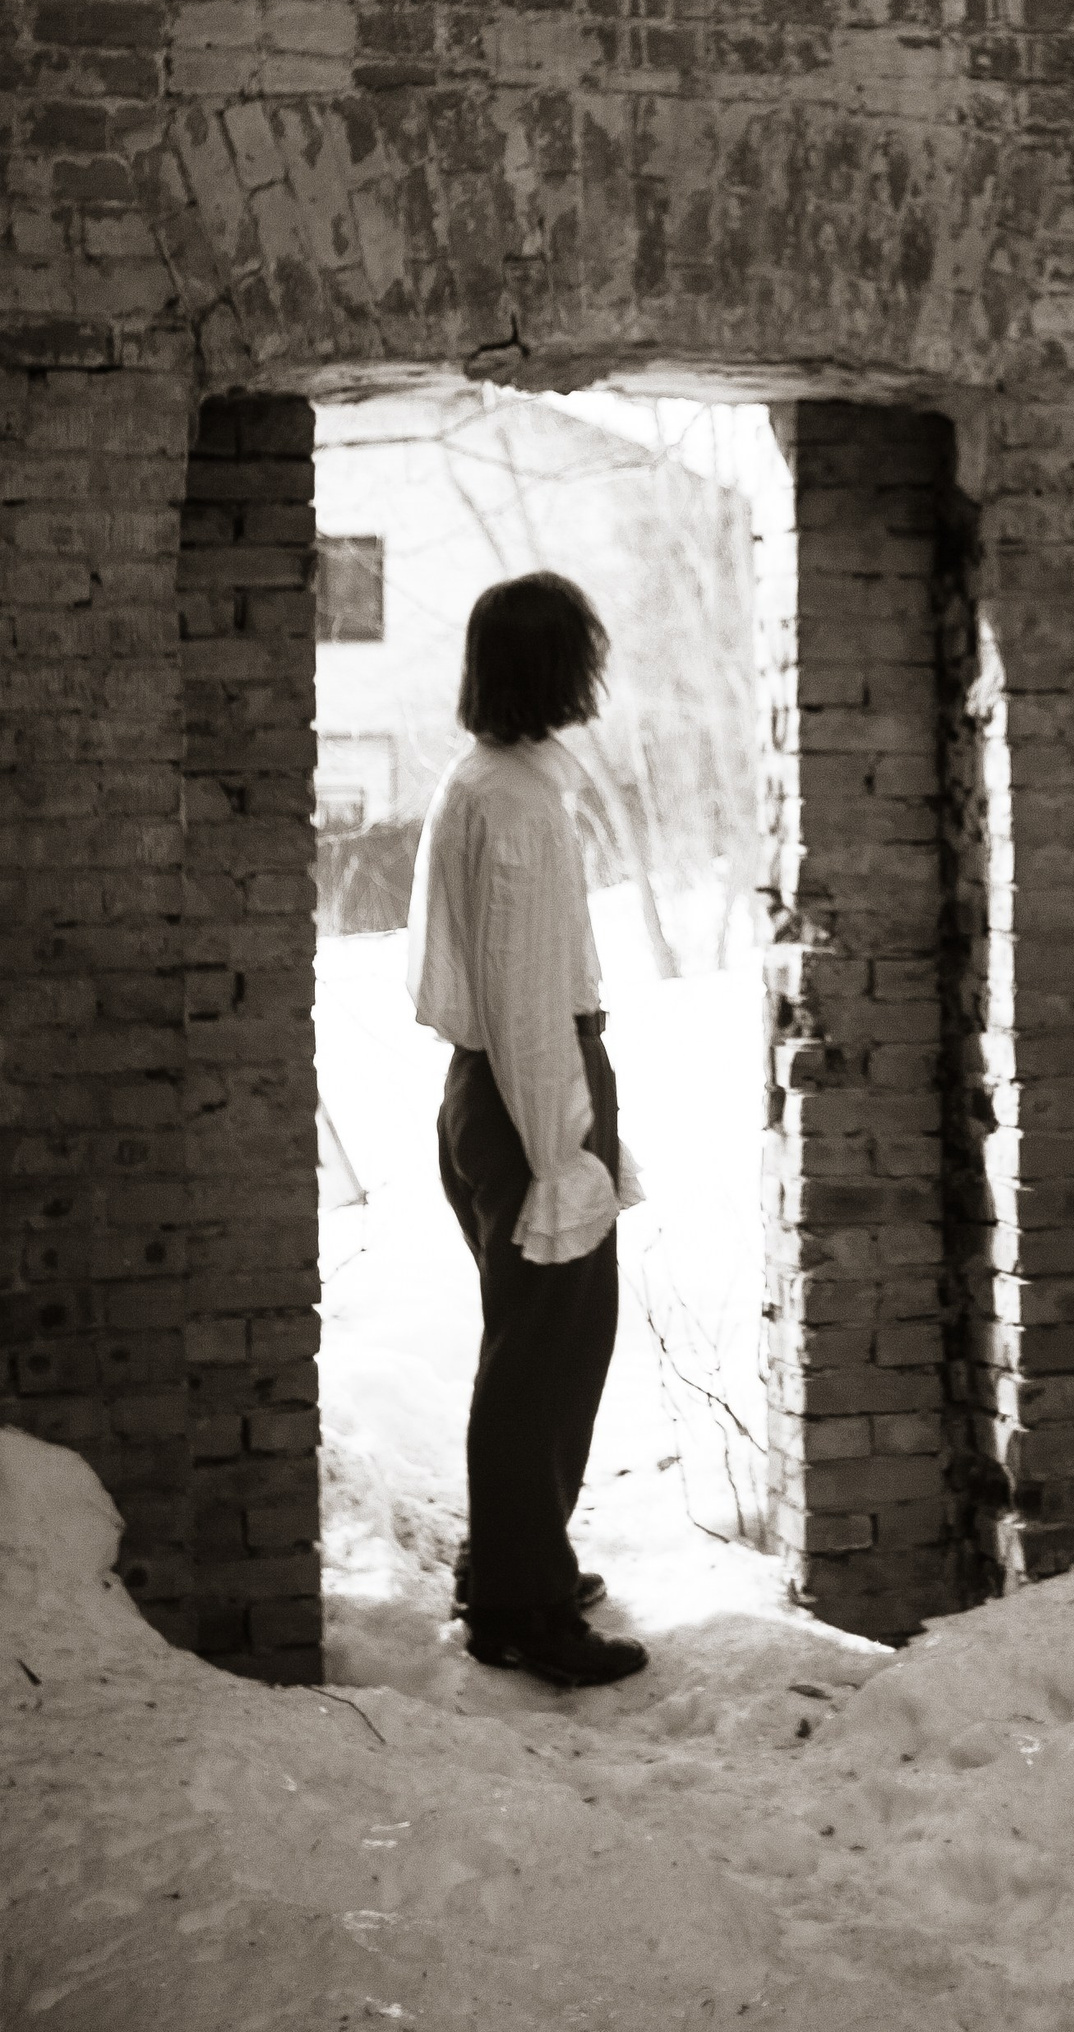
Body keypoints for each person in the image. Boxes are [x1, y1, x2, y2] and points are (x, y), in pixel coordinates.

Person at [406, 570, 649, 1689]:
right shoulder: (512, 803)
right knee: (542, 1357)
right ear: (556, 667)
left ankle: (516, 1560)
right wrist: (561, 1152)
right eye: (583, 653)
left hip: (501, 1084)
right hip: (525, 1089)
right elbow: (523, 996)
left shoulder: (492, 777)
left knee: (543, 1343)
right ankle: (519, 1608)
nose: (595, 671)